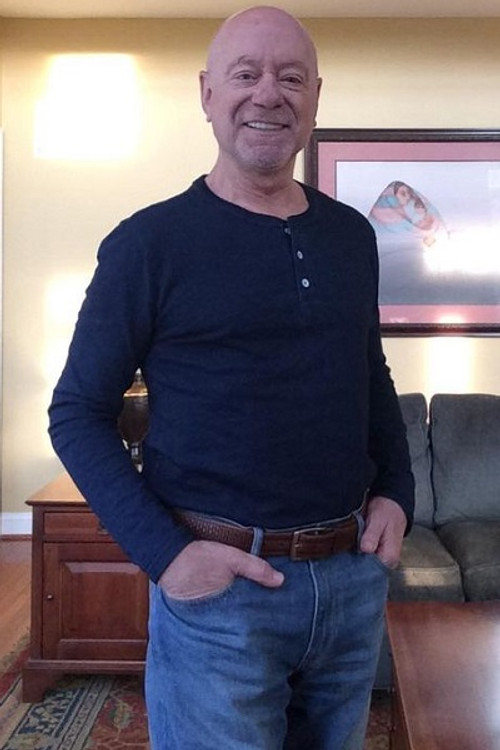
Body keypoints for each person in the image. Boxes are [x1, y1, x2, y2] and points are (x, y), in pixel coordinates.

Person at [48, 6, 414, 750]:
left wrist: (398, 492)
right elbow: (77, 412)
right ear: (207, 94)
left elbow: (369, 371)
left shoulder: (351, 236)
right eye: (245, 74)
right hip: (220, 599)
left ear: (316, 97)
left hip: (349, 584)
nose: (268, 93)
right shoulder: (147, 244)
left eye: (291, 77)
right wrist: (167, 556)